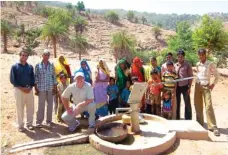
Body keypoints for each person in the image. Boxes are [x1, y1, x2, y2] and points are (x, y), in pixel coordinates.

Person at [194, 49, 220, 136]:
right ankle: (199, 123)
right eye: (199, 55)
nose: (201, 57)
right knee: (198, 105)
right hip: (197, 86)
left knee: (208, 106)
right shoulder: (198, 64)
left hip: (206, 86)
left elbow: (217, 75)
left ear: (205, 55)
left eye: (202, 55)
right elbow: (197, 74)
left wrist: (213, 85)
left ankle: (213, 126)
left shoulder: (210, 64)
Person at [10, 50, 35, 132]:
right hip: (19, 90)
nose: (24, 57)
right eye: (23, 55)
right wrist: (22, 88)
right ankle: (20, 126)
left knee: (30, 108)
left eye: (26, 55)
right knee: (20, 108)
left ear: (27, 57)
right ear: (20, 56)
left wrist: (30, 87)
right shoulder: (15, 67)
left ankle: (30, 124)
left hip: (29, 90)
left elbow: (32, 78)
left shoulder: (30, 67)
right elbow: (13, 80)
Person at [35, 49, 57, 128]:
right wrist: (36, 88)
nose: (46, 56)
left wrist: (55, 87)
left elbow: (54, 76)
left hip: (50, 88)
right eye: (45, 55)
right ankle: (39, 122)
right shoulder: (38, 65)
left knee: (50, 105)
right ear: (42, 55)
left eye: (48, 55)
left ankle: (49, 121)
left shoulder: (51, 65)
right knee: (41, 105)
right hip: (41, 88)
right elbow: (36, 77)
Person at [175, 49, 193, 120]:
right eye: (179, 57)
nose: (180, 58)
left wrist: (189, 87)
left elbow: (190, 76)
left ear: (184, 57)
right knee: (177, 102)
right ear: (177, 57)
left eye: (181, 56)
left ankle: (188, 119)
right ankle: (177, 118)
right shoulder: (175, 65)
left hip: (185, 86)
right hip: (177, 87)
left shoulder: (187, 65)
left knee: (187, 103)